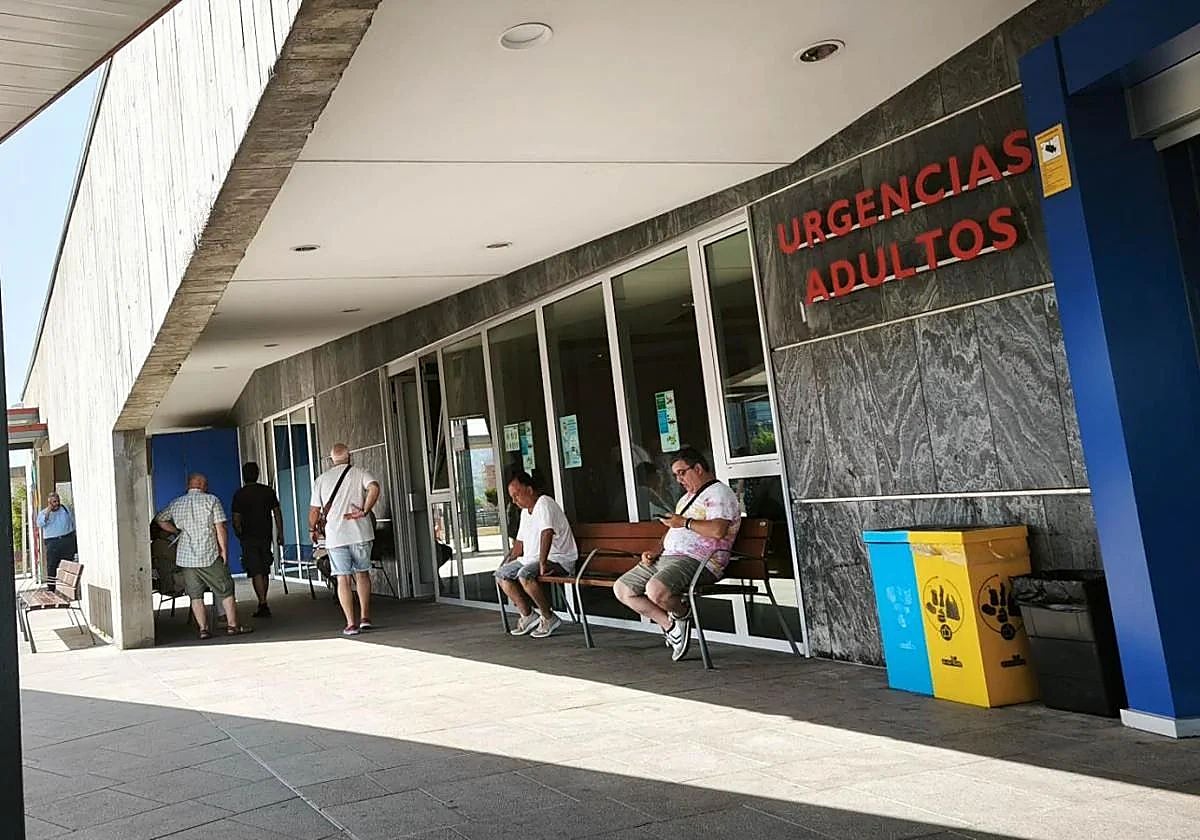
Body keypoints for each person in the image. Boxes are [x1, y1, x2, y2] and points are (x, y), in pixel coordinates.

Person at [614, 447, 741, 662]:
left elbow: (718, 530)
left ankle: (682, 614)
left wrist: (684, 522)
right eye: (675, 475)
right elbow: (673, 530)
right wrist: (655, 551)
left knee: (655, 590)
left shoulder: (719, 493)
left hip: (700, 560)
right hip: (668, 557)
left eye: (682, 472)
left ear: (698, 468)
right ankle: (671, 626)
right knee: (622, 588)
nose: (679, 479)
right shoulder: (686, 499)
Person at [156, 473, 252, 640]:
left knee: (195, 594)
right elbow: (221, 528)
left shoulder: (176, 503)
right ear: (203, 485)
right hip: (209, 554)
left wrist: (177, 530)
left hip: (186, 558)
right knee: (226, 588)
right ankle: (232, 626)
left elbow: (160, 519)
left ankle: (203, 629)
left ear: (189, 485)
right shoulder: (212, 500)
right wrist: (224, 552)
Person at [494, 471, 577, 639]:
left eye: (517, 494)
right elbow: (520, 543)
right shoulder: (525, 513)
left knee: (525, 575)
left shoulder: (545, 503)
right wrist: (508, 562)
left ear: (530, 489)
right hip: (531, 559)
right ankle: (528, 615)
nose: (514, 500)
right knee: (501, 574)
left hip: (558, 558)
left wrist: (543, 563)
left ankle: (548, 617)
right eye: (512, 497)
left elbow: (547, 533)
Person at [309, 443, 381, 636]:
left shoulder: (322, 480)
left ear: (331, 459)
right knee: (362, 574)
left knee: (343, 579)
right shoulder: (360, 472)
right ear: (349, 456)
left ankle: (351, 623)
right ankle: (365, 617)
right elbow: (374, 488)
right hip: (361, 534)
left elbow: (315, 510)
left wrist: (312, 529)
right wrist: (365, 510)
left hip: (336, 537)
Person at [231, 462, 284, 618]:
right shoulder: (268, 491)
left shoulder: (239, 494)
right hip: (265, 535)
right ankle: (263, 600)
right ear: (258, 474)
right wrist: (280, 533)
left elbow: (236, 519)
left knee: (255, 571)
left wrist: (239, 533)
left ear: (244, 475)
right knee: (264, 569)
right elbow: (277, 513)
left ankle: (262, 603)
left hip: (248, 537)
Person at [36, 493, 76, 591]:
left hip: (67, 539)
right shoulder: (43, 513)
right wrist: (48, 512)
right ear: (49, 503)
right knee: (52, 566)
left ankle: (68, 589)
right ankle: (51, 589)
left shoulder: (65, 509)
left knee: (69, 566)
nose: (57, 503)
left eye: (58, 501)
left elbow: (73, 521)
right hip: (52, 542)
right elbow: (40, 524)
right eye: (54, 502)